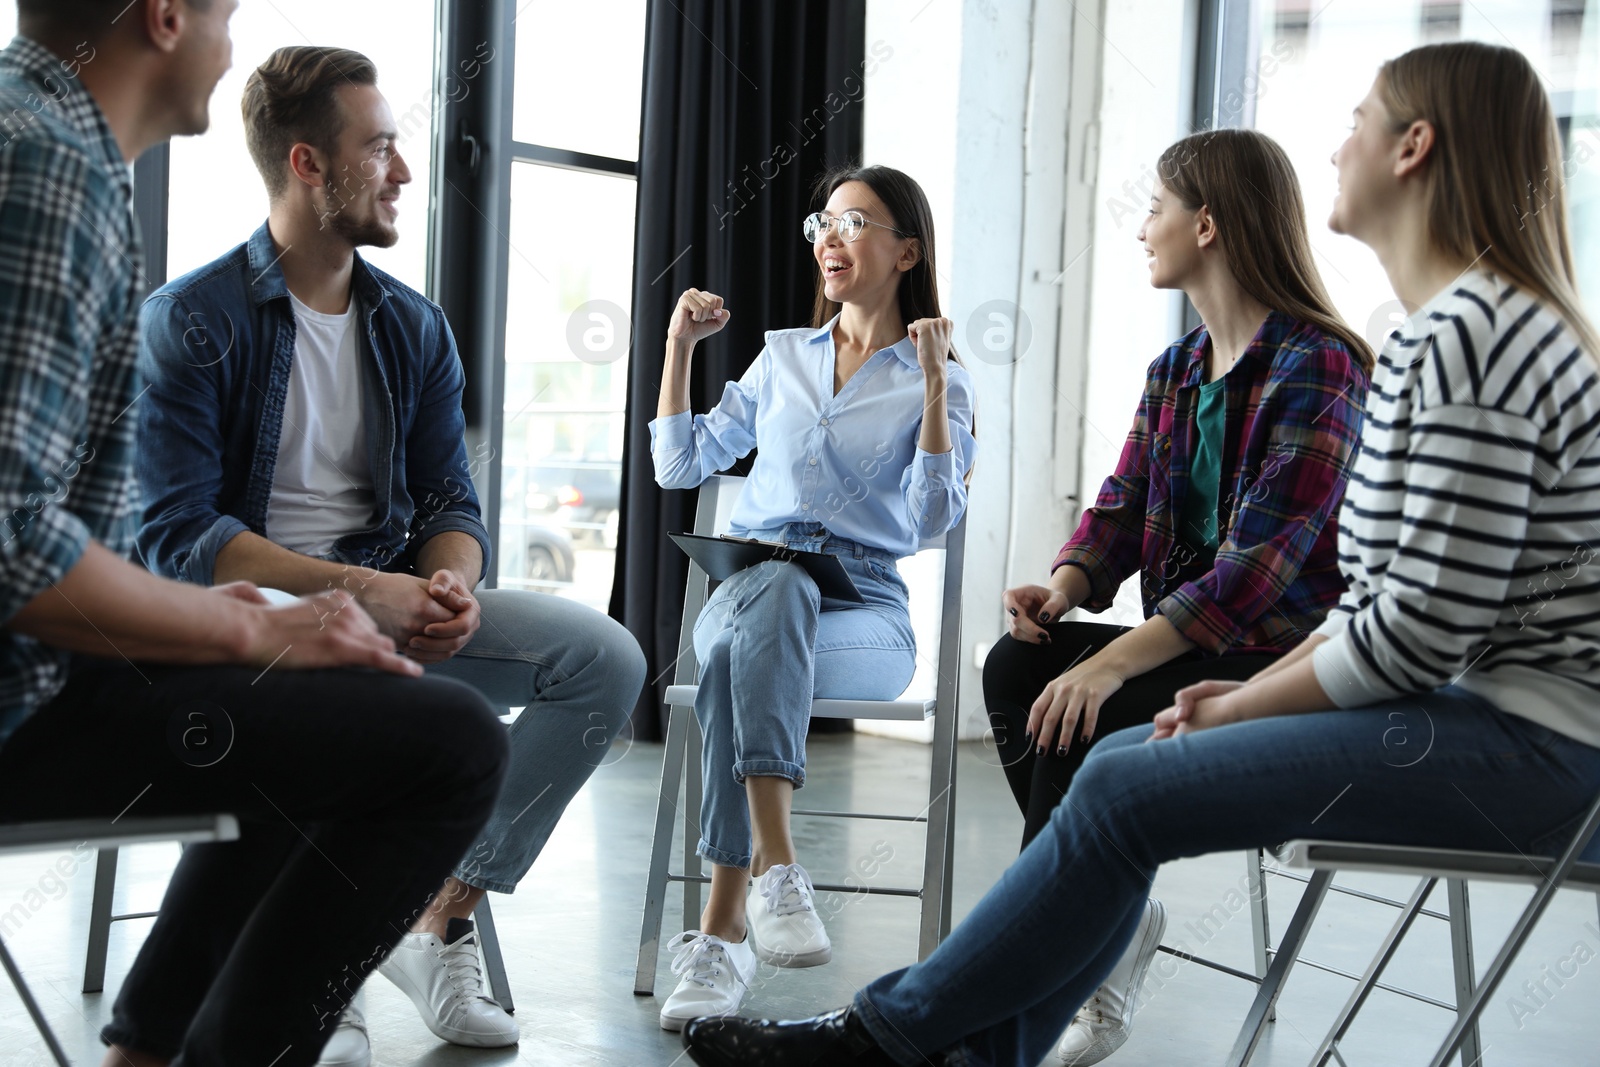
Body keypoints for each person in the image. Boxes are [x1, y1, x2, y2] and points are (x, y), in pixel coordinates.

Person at [679, 39, 1600, 1067]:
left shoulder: (1442, 341)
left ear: (1414, 147)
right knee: (1042, 682)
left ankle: (885, 1034)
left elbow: (1395, 626)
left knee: (1116, 770)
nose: (1338, 146)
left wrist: (1228, 698)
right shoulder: (1435, 332)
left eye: (1358, 121)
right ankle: (991, 1023)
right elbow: (1153, 522)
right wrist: (1074, 591)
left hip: (1530, 747)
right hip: (1470, 713)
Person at [0, 4, 512, 1067]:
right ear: (165, 15)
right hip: (26, 693)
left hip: (61, 658)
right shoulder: (55, 172)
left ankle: (150, 1047)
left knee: (318, 704)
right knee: (449, 746)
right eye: (225, 12)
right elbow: (14, 543)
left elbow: (449, 499)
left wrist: (229, 623)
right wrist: (238, 627)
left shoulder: (39, 138)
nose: (228, 41)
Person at [132, 45, 647, 1065]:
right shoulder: (191, 320)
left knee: (605, 662)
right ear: (307, 164)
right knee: (362, 707)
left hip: (384, 591)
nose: (405, 171)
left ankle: (425, 915)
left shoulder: (411, 326)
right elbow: (180, 537)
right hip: (252, 620)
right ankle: (323, 953)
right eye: (380, 147)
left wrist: (446, 579)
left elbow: (451, 497)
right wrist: (362, 591)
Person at [982, 127, 1370, 1063]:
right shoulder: (1176, 372)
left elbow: (1258, 571)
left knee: (1092, 704)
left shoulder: (1321, 364)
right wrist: (1065, 591)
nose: (1141, 228)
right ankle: (1106, 912)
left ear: (1206, 222)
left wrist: (1109, 661)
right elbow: (1117, 514)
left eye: (1154, 207)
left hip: (1278, 656)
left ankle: (1040, 985)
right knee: (1018, 664)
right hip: (1185, 642)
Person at [648, 164, 976, 1030]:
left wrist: (938, 382)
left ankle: (722, 932)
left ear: (907, 251)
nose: (830, 237)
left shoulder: (935, 373)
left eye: (856, 222)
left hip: (865, 612)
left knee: (733, 653)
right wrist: (679, 350)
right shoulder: (782, 355)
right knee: (770, 599)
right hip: (754, 584)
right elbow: (679, 466)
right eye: (823, 223)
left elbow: (935, 515)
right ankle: (778, 873)